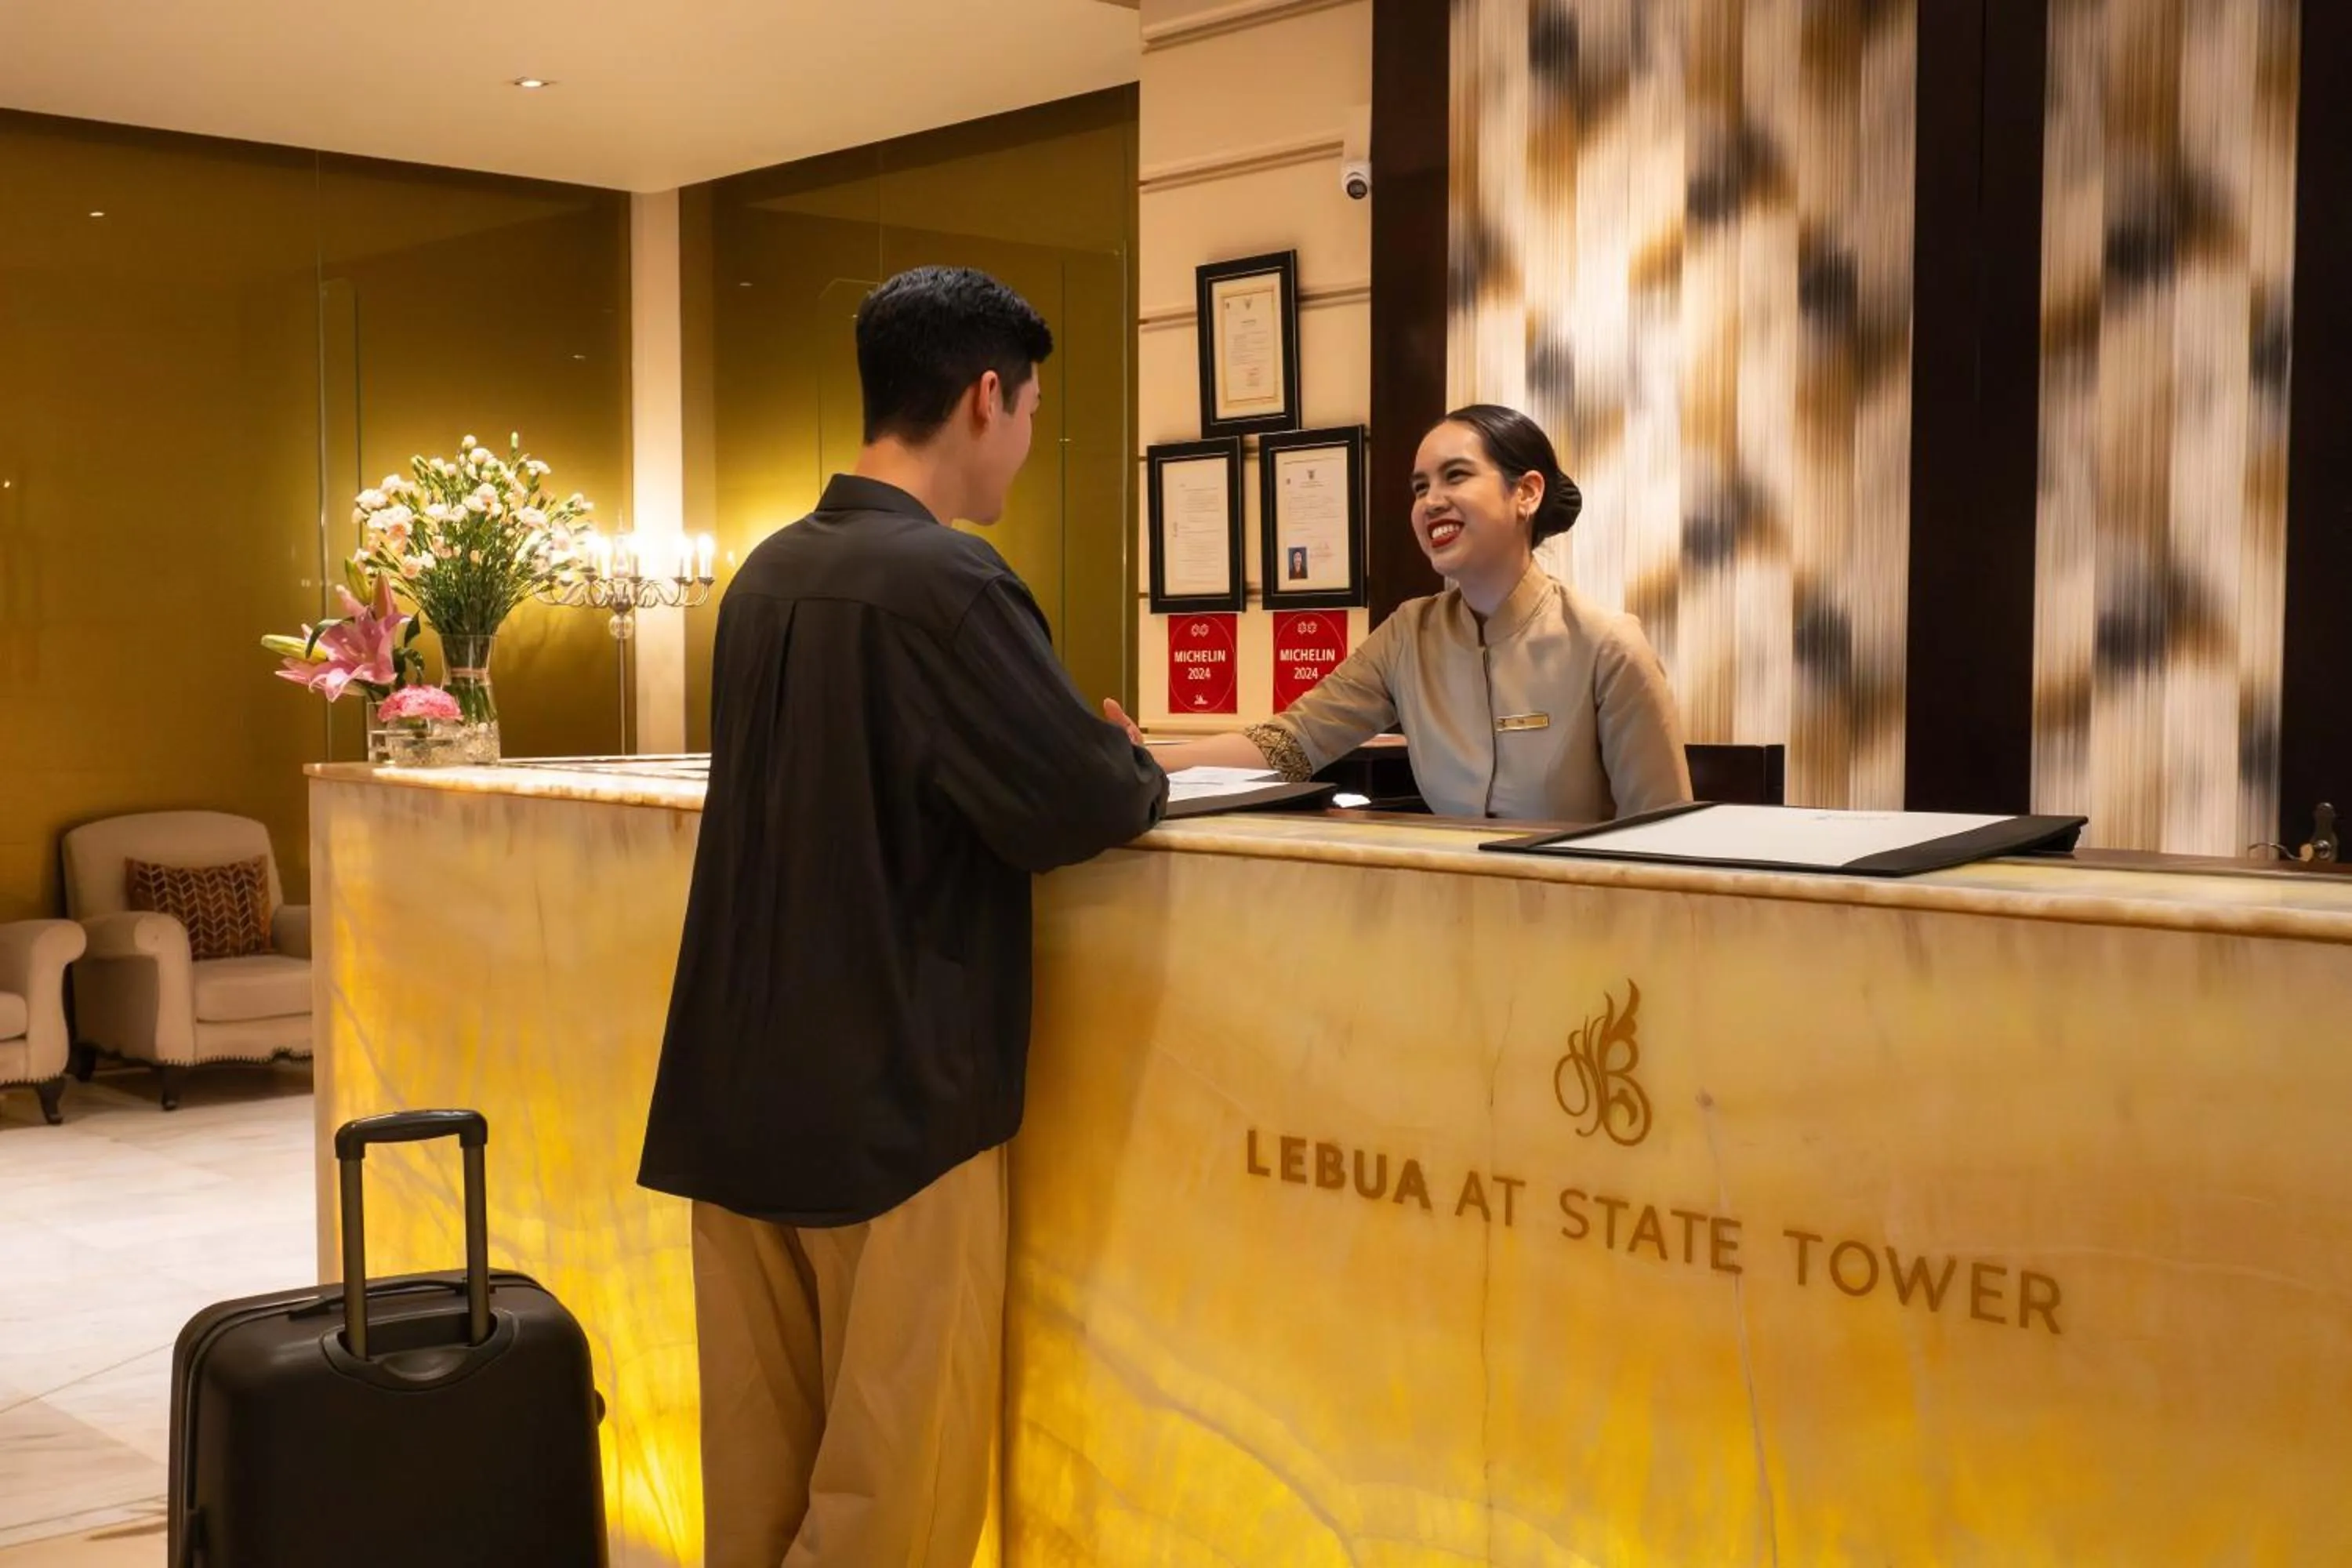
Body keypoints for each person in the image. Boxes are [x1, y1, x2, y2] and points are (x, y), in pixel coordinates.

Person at [640, 267, 1167, 1568]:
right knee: (897, 1504)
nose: (1027, 443)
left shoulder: (767, 573)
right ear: (987, 396)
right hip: (893, 1105)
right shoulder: (950, 582)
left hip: (733, 1090)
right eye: (1032, 412)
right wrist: (1129, 758)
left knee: (753, 1492)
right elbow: (1083, 800)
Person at [1123, 405, 1691, 822]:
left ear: (1527, 493)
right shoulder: (1407, 635)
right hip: (1447, 919)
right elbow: (1290, 745)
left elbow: (1664, 838)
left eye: (1456, 476)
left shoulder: (1607, 644)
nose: (1431, 502)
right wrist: (1139, 758)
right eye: (1420, 487)